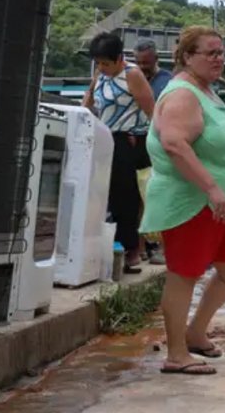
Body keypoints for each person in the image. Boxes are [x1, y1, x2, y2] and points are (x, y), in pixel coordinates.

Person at [143, 26, 225, 376]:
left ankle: (195, 332)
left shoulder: (206, 91)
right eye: (211, 53)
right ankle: (176, 354)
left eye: (222, 53)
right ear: (188, 56)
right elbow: (174, 143)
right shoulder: (183, 94)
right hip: (193, 200)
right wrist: (211, 187)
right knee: (184, 274)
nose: (219, 59)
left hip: (220, 204)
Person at [82, 31, 156, 273]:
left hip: (128, 140)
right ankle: (101, 247)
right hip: (104, 137)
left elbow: (151, 111)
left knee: (125, 197)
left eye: (106, 63)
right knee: (101, 195)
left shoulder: (132, 75)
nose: (102, 67)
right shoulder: (100, 74)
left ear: (119, 58)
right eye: (98, 63)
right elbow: (89, 100)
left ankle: (130, 249)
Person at [135, 39, 175, 265]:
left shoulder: (167, 82)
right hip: (136, 144)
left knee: (159, 195)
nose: (142, 68)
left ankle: (163, 247)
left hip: (160, 146)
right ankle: (139, 247)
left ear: (156, 60)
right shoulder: (131, 77)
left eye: (147, 63)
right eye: (139, 63)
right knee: (137, 197)